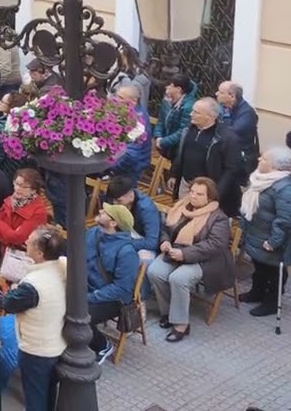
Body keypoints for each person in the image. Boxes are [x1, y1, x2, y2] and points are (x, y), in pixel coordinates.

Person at [148, 177, 234, 342]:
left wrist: (185, 254)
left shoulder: (218, 218)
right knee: (154, 271)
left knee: (179, 278)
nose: (193, 196)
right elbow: (166, 228)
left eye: (199, 194)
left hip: (206, 260)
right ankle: (168, 312)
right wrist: (164, 241)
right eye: (192, 191)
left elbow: (215, 245)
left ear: (210, 198)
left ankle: (181, 325)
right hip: (177, 251)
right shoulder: (182, 207)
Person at [0, 226, 67, 411]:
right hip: (57, 343)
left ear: (39, 253)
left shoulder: (33, 285)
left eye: (29, 240)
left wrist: (13, 289)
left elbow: (8, 304)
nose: (26, 241)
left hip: (36, 350)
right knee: (49, 392)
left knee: (35, 397)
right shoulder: (62, 266)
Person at [85, 202, 140, 364]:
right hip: (87, 286)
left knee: (79, 316)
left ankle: (102, 346)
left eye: (105, 212)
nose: (100, 210)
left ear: (114, 223)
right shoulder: (93, 233)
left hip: (111, 299)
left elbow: (121, 289)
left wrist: (90, 297)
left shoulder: (127, 252)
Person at [169, 97, 243, 216]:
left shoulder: (227, 138)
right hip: (186, 184)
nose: (191, 114)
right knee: (182, 218)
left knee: (203, 225)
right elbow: (181, 154)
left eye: (196, 112)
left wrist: (215, 194)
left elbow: (231, 169)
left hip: (208, 192)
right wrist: (174, 174)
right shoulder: (189, 130)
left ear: (210, 116)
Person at [240, 146, 291, 317]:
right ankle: (257, 292)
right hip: (257, 232)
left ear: (275, 166)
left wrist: (274, 241)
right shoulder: (260, 179)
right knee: (259, 265)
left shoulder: (285, 188)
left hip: (272, 239)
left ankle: (271, 302)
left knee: (274, 270)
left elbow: (285, 220)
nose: (259, 160)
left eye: (264, 159)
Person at [105, 175, 164, 262]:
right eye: (113, 200)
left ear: (130, 196)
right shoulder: (118, 202)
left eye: (119, 201)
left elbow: (152, 242)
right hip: (128, 237)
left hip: (144, 244)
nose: (114, 204)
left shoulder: (146, 208)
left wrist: (124, 244)